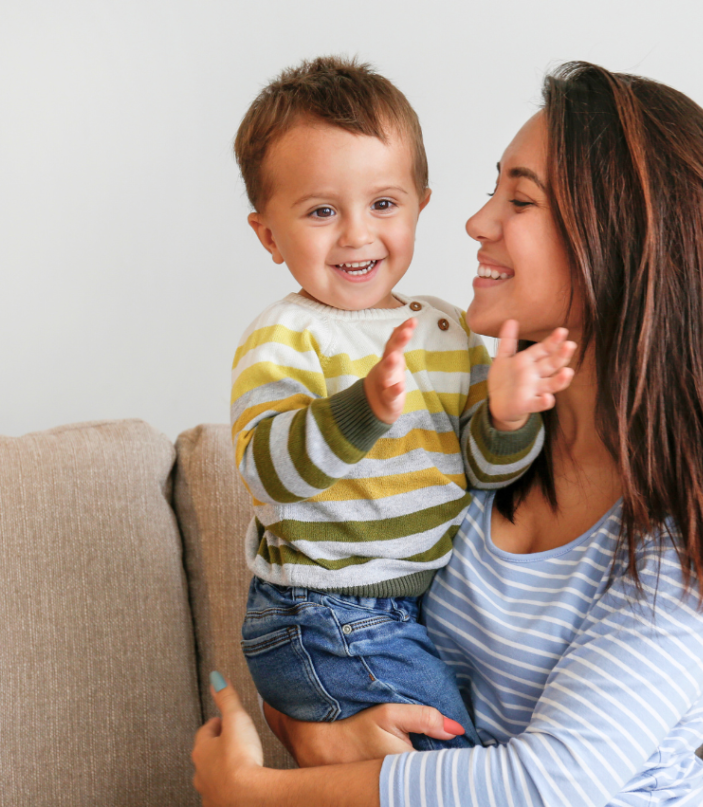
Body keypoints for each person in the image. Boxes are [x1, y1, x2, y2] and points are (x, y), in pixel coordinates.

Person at [194, 61, 703, 806]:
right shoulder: (477, 437)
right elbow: (336, 631)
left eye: (518, 198)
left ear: (614, 243)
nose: (475, 222)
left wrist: (251, 791)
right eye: (494, 189)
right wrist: (307, 727)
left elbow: (549, 784)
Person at [230, 56, 577, 752]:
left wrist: (506, 418)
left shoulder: (449, 330)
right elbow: (267, 475)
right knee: (449, 755)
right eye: (322, 211)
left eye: (383, 204)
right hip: (323, 610)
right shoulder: (287, 335)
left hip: (410, 608)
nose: (357, 234)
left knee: (448, 752)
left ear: (421, 203)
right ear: (269, 234)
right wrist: (360, 409)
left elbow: (482, 469)